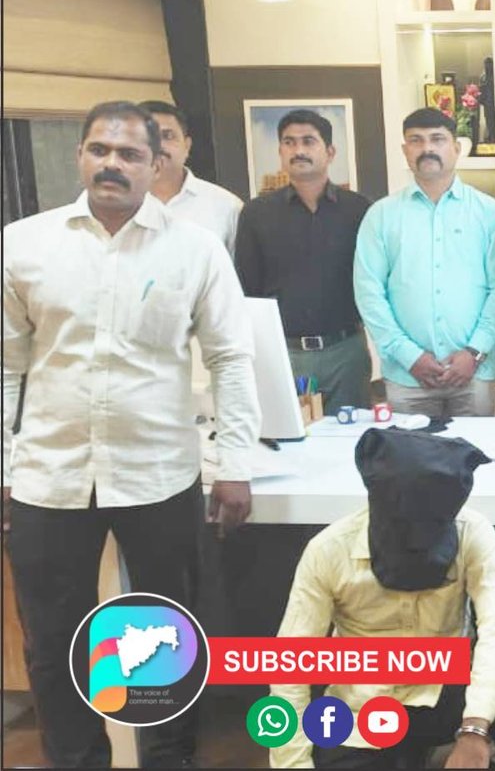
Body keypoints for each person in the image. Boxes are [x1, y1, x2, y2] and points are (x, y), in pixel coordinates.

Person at [1, 101, 261, 769]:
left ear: (157, 163)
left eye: (129, 153)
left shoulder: (194, 248)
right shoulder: (23, 244)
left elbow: (231, 359)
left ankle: (168, 757)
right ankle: (75, 760)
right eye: (99, 149)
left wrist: (235, 463)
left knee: (163, 636)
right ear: (80, 156)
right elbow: (6, 366)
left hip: (158, 471)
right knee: (53, 640)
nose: (111, 164)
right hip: (49, 476)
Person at [270, 428, 495, 769]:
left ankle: (439, 751)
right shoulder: (329, 550)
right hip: (360, 708)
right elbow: (290, 665)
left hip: (447, 697)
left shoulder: (471, 532)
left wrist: (475, 728)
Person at [355, 108, 495, 417]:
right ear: (405, 150)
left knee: (476, 448)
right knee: (409, 450)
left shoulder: (490, 213)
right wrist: (409, 356)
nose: (427, 148)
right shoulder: (381, 216)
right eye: (416, 140)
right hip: (406, 376)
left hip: (474, 373)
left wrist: (474, 352)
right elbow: (368, 292)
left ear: (457, 148)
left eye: (437, 139)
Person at [236, 108, 374, 412]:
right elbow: (248, 290)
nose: (298, 150)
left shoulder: (359, 210)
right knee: (288, 437)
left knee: (353, 437)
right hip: (285, 353)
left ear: (330, 152)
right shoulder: (256, 214)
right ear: (280, 152)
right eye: (289, 142)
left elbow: (373, 280)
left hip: (345, 351)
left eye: (309, 141)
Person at [140, 100, 244, 254]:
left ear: (187, 147)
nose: (158, 145)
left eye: (167, 136)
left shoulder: (227, 207)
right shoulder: (110, 207)